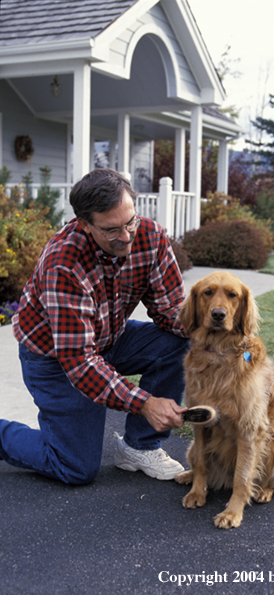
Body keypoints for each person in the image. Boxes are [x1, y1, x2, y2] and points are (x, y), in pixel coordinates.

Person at [0, 168, 190, 485]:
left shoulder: (151, 237)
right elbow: (79, 362)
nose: (127, 236)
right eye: (112, 230)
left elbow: (169, 308)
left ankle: (139, 447)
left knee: (178, 343)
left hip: (108, 338)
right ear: (85, 224)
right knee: (75, 467)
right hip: (54, 358)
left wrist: (215, 334)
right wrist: (145, 403)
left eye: (130, 221)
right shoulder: (64, 263)